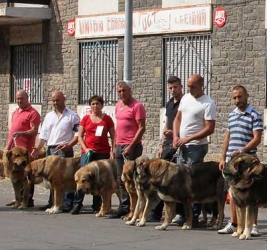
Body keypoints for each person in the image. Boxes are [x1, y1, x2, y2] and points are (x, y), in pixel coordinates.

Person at [217, 85, 263, 236]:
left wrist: (242, 150)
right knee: (233, 192)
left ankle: (253, 225)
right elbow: (227, 137)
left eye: (240, 96)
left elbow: (257, 139)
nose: (237, 100)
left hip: (248, 161)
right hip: (233, 162)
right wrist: (223, 157)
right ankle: (234, 223)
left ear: (247, 95)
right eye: (234, 98)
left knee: (252, 193)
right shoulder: (231, 115)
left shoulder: (254, 115)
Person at [172, 74, 216, 226]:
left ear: (201, 85)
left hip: (196, 146)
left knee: (193, 181)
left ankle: (194, 213)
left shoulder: (207, 103)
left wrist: (189, 138)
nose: (190, 89)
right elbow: (178, 118)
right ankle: (181, 212)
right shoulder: (185, 99)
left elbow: (210, 128)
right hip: (182, 145)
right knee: (179, 179)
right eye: (188, 86)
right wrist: (175, 136)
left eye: (193, 86)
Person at [34, 91, 80, 211]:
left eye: (57, 100)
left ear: (64, 99)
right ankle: (53, 202)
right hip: (51, 150)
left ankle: (67, 203)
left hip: (64, 150)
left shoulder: (72, 116)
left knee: (67, 177)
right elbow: (43, 135)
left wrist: (69, 145)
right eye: (53, 100)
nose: (55, 103)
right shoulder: (49, 116)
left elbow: (78, 135)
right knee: (51, 179)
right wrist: (37, 148)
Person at [70, 95, 116, 215]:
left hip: (103, 153)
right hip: (88, 153)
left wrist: (113, 150)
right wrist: (86, 149)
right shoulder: (85, 119)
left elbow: (113, 135)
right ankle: (77, 204)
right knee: (82, 178)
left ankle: (98, 205)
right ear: (90, 106)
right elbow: (80, 136)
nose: (95, 106)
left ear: (102, 105)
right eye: (93, 104)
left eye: (98, 104)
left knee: (100, 181)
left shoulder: (107, 119)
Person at [148, 76, 184, 222]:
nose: (173, 90)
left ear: (181, 87)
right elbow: (167, 124)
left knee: (178, 181)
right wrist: (161, 145)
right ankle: (155, 212)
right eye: (170, 87)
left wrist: (176, 134)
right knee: (160, 180)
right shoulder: (169, 104)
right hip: (168, 145)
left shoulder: (185, 103)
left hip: (180, 145)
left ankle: (181, 214)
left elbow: (187, 125)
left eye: (175, 87)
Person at [111, 81, 146, 219]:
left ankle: (136, 209)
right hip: (119, 146)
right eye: (119, 91)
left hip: (132, 146)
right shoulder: (118, 106)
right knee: (122, 179)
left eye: (124, 90)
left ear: (130, 90)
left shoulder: (137, 106)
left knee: (133, 180)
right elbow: (117, 127)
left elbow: (142, 127)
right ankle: (125, 207)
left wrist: (131, 146)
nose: (121, 93)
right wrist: (114, 146)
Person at [6, 89, 41, 207]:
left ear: (27, 98)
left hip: (25, 152)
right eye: (17, 98)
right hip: (13, 153)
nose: (19, 100)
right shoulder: (15, 112)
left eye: (22, 98)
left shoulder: (33, 113)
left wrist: (22, 133)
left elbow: (34, 130)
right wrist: (8, 147)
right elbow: (12, 132)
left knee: (26, 179)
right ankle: (18, 200)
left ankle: (27, 200)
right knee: (15, 179)